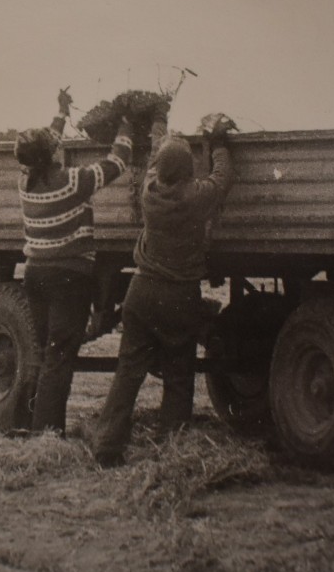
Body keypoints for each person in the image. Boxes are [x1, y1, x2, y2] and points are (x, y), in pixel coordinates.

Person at [93, 111, 236, 467]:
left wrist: (160, 132)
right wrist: (217, 142)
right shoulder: (195, 197)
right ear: (188, 172)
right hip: (177, 295)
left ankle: (107, 445)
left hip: (140, 291)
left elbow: (156, 161)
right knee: (178, 373)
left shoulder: (149, 191)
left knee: (128, 372)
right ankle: (169, 449)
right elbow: (222, 179)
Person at [18, 88, 137, 436]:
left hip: (35, 273)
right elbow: (117, 162)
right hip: (68, 277)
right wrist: (126, 125)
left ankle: (28, 424)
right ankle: (48, 434)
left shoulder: (25, 181)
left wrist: (61, 113)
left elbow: (46, 143)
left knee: (44, 351)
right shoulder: (72, 182)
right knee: (59, 355)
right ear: (51, 154)